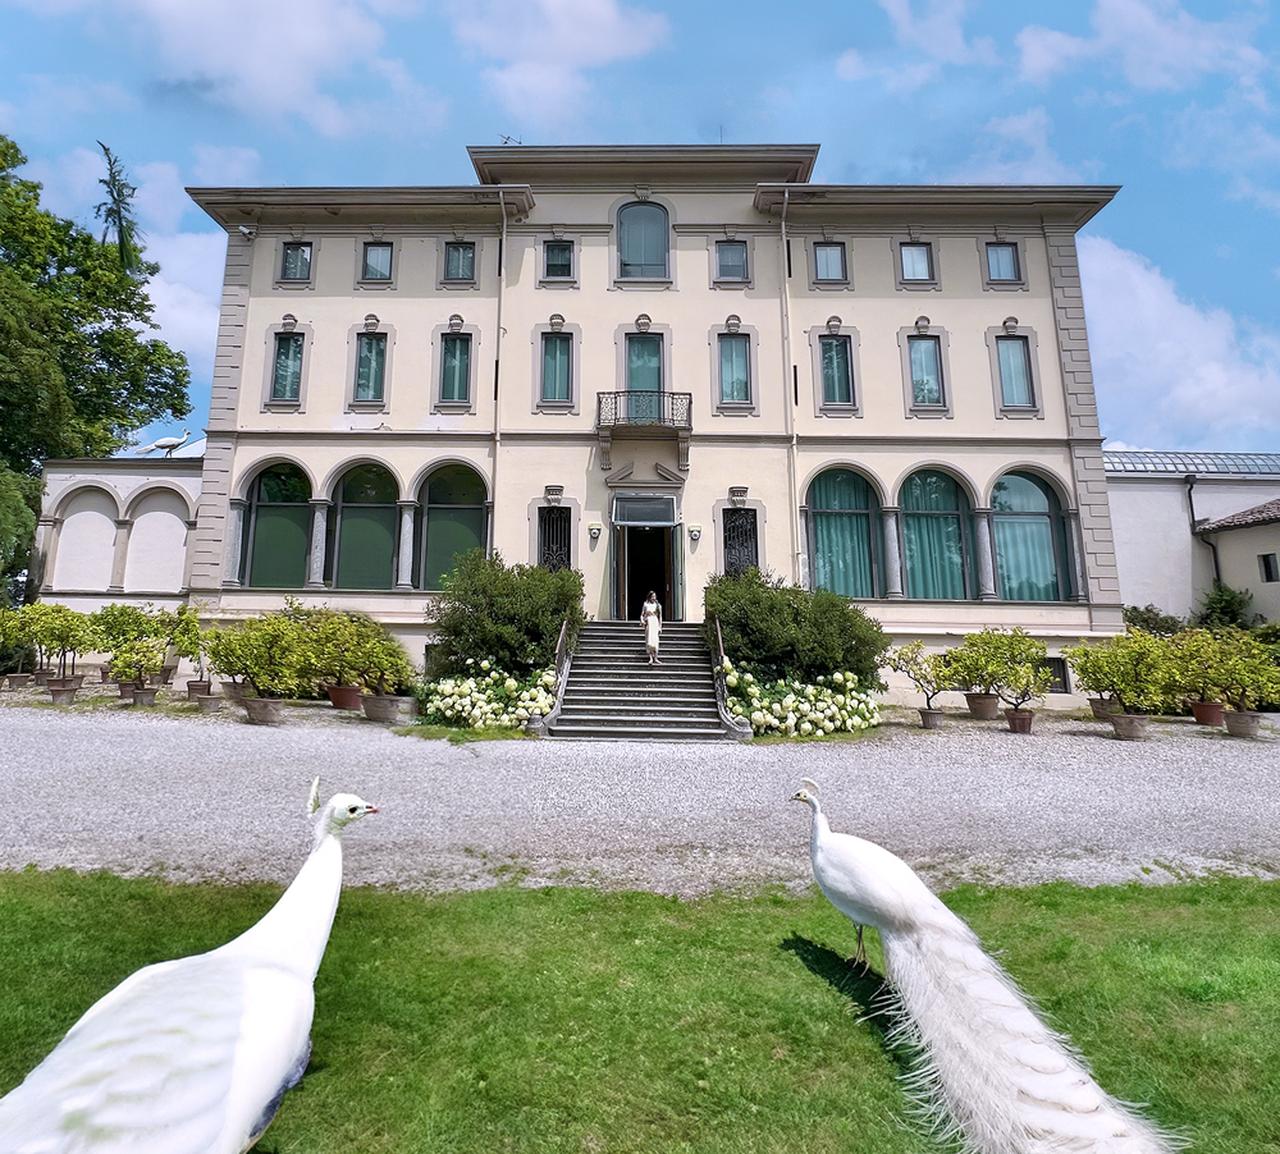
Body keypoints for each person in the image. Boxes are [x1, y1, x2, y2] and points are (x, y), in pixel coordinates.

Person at [640, 590, 662, 665]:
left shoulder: (658, 605)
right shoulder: (645, 604)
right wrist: (642, 621)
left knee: (655, 640)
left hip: (655, 622)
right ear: (649, 597)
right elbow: (642, 614)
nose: (654, 598)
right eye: (652, 596)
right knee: (649, 640)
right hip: (649, 622)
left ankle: (655, 657)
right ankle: (650, 658)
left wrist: (660, 626)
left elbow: (660, 617)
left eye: (655, 596)